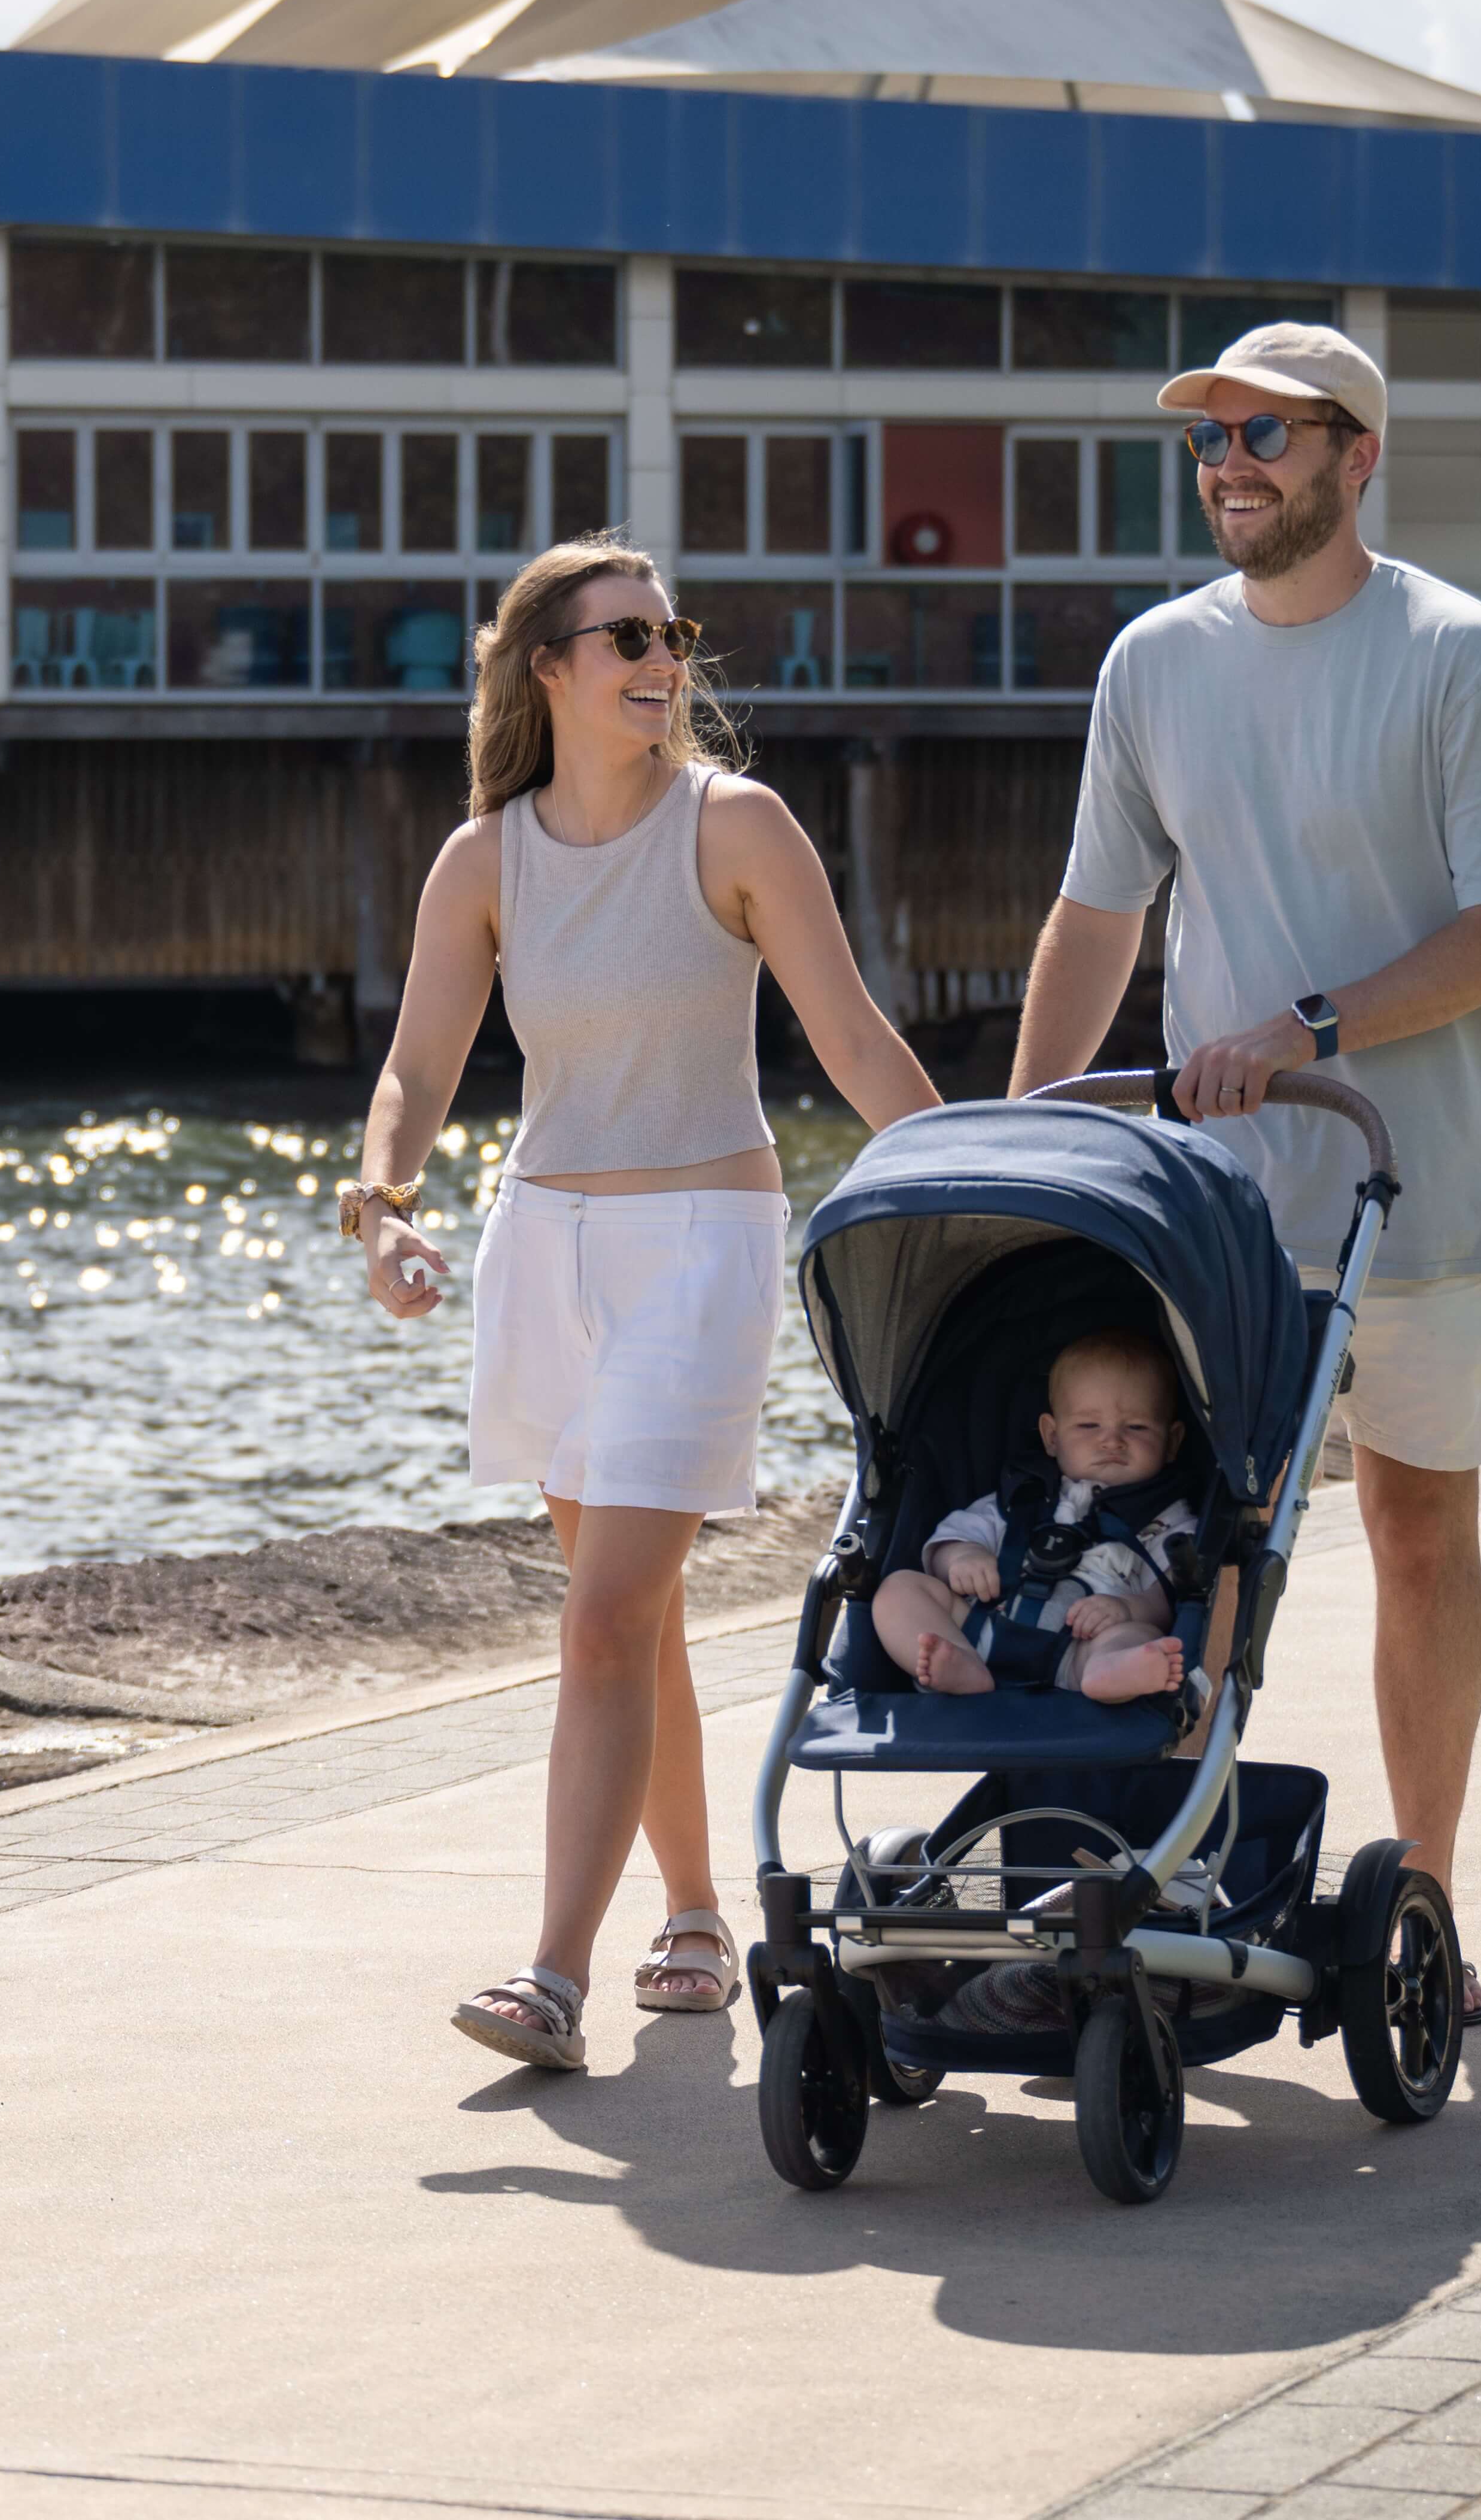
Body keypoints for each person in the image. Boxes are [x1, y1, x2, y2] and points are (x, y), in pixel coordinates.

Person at [1003, 320, 1481, 2027]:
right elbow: (1097, 915)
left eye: (1265, 433)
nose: (1229, 463)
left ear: (1356, 454)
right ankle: (1160, 1881)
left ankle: (1426, 1901)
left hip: (1422, 1182)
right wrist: (1026, 1137)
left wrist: (1309, 1018)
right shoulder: (1153, 665)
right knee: (1192, 1553)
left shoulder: (1456, 654)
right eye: (1209, 440)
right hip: (1218, 1206)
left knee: (1416, 1533)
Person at [352, 535, 941, 2074]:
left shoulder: (735, 827)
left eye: (668, 632)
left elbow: (856, 1041)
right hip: (542, 1246)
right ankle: (694, 1906)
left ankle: (551, 1971)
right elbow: (418, 1063)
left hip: (702, 1244)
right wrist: (385, 1198)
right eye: (623, 636)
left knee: (605, 1611)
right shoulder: (486, 856)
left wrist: (974, 1186)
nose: (659, 658)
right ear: (545, 665)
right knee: (638, 1611)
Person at [869, 1328, 1201, 1707]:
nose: (1112, 1441)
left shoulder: (1168, 1519)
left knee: (1139, 1633)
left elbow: (1171, 1592)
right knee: (899, 1588)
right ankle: (958, 1663)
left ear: (1172, 1441)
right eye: (1089, 1426)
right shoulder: (1024, 1495)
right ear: (1052, 1436)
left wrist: (1129, 1609)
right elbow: (956, 1535)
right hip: (984, 1629)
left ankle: (1110, 1673)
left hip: (1082, 1647)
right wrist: (961, 1558)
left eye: (1137, 1427)